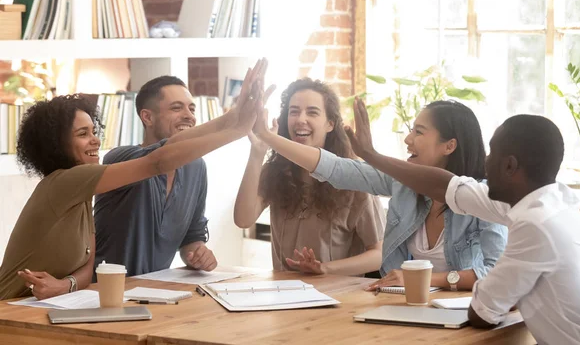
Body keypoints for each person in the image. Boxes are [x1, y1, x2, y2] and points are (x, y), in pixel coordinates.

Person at [346, 97, 580, 344]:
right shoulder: (555, 201)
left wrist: (493, 291)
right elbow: (448, 186)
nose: (485, 161)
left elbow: (482, 314)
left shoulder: (536, 226)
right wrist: (371, 155)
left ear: (510, 166)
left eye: (492, 154)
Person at [0, 67, 260, 301]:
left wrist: (64, 285)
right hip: (10, 308)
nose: (95, 141)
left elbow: (86, 269)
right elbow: (159, 160)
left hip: (47, 305)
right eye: (82, 134)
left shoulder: (82, 194)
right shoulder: (68, 181)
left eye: (94, 132)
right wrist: (234, 126)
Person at [253, 94, 507, 289]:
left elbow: (496, 274)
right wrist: (267, 136)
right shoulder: (404, 185)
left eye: (418, 132)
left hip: (468, 313)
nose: (408, 139)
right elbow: (336, 168)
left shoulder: (483, 199)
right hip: (410, 308)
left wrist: (424, 279)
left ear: (449, 145)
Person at [93, 60, 268, 278]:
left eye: (191, 108)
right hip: (101, 291)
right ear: (147, 117)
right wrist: (234, 121)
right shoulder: (120, 158)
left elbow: (191, 237)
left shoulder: (196, 167)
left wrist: (197, 253)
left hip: (157, 291)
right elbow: (162, 157)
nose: (189, 116)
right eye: (177, 108)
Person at [234, 78, 385, 276]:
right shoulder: (274, 172)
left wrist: (325, 269)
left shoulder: (353, 178)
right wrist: (257, 152)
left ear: (330, 123)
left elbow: (379, 254)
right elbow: (243, 220)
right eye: (294, 111)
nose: (300, 119)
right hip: (284, 295)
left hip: (340, 297)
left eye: (312, 112)